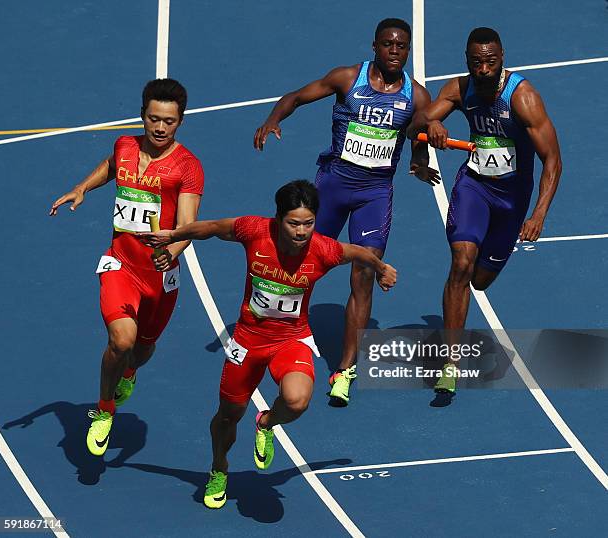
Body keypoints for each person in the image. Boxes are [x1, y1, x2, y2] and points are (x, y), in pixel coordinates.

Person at [139, 180, 397, 509]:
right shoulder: (254, 230)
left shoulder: (323, 249)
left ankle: (266, 422)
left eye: (308, 223)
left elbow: (359, 252)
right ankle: (219, 468)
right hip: (247, 341)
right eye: (293, 223)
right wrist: (173, 235)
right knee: (228, 416)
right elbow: (214, 228)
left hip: (292, 339)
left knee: (297, 401)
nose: (302, 231)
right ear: (278, 219)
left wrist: (381, 268)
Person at [253, 18, 438, 406]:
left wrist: (419, 161)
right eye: (387, 44)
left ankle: (346, 369)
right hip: (333, 187)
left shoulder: (416, 97)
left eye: (401, 46)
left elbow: (417, 135)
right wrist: (273, 119)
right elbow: (297, 97)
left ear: (407, 51)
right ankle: (278, 332)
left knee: (363, 274)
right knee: (298, 259)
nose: (394, 51)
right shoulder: (346, 79)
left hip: (375, 195)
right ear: (374, 46)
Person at [49, 79, 204, 455]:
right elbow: (110, 166)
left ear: (180, 122)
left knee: (143, 347)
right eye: (154, 118)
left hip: (161, 275)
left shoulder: (187, 168)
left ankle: (130, 373)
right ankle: (104, 409)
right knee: (121, 340)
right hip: (121, 264)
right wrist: (83, 187)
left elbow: (187, 226)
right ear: (143, 115)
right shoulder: (125, 145)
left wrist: (173, 248)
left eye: (169, 121)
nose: (160, 127)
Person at [407, 27, 561, 401]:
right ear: (468, 62)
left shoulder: (522, 97)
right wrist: (433, 125)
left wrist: (538, 214)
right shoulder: (458, 89)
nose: (484, 69)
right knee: (461, 263)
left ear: (502, 58)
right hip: (474, 187)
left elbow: (552, 160)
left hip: (512, 199)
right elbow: (415, 124)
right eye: (477, 62)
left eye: (491, 61)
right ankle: (451, 362)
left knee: (480, 280)